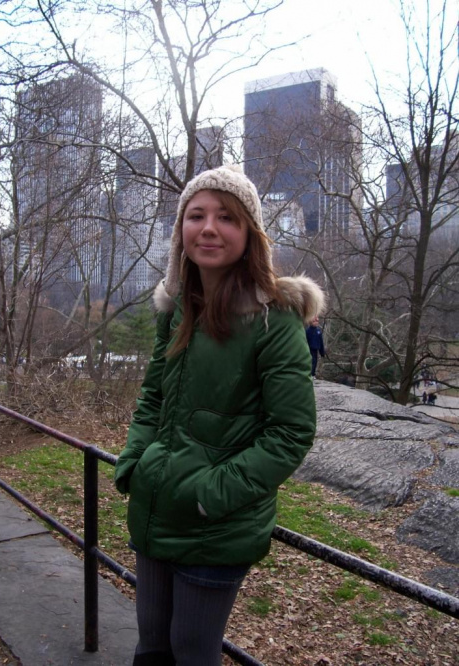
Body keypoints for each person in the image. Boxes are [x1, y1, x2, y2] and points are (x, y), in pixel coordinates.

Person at [114, 164, 324, 666]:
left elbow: (291, 433)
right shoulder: (176, 309)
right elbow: (153, 398)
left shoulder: (275, 319)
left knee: (192, 651)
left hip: (216, 524)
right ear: (180, 231)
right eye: (196, 215)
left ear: (249, 234)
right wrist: (135, 461)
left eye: (226, 217)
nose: (208, 227)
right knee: (151, 644)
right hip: (155, 505)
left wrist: (211, 495)